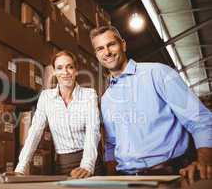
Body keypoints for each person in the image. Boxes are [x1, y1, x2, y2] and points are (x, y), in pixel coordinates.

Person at [89, 25, 212, 182]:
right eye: (100, 48)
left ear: (123, 45)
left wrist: (205, 160)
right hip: (126, 180)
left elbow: (200, 118)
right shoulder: (106, 99)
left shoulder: (158, 73)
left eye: (111, 44)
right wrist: (112, 178)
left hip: (167, 174)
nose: (107, 52)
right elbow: (112, 144)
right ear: (97, 55)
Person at [14, 50, 104, 178]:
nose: (65, 72)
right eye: (60, 68)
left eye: (70, 67)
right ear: (55, 72)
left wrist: (87, 165)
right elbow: (35, 132)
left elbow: (93, 130)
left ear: (76, 70)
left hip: (91, 164)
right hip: (63, 165)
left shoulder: (89, 95)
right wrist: (20, 168)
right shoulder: (46, 97)